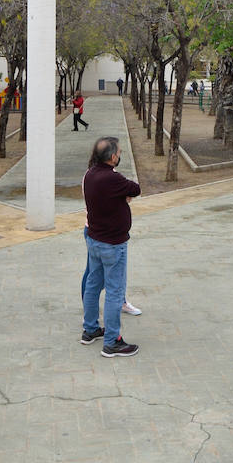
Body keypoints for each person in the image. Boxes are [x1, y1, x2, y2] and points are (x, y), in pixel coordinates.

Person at [80, 136, 141, 357]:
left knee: (93, 285)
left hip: (94, 240)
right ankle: (112, 341)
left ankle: (90, 329)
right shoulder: (112, 179)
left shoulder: (89, 174)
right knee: (115, 291)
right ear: (113, 156)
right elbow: (136, 188)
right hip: (112, 245)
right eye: (120, 152)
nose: (120, 155)